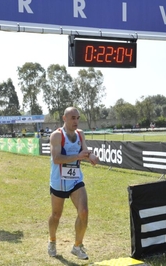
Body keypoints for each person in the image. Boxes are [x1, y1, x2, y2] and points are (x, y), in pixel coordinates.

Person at [47, 107, 99, 260]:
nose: (76, 121)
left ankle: (77, 246)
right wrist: (78, 156)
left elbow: (86, 151)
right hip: (59, 181)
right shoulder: (56, 136)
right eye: (72, 118)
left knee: (83, 211)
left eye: (78, 118)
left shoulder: (80, 134)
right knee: (56, 215)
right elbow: (56, 158)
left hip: (75, 179)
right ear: (64, 118)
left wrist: (91, 157)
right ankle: (52, 240)